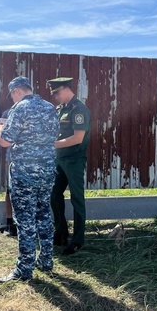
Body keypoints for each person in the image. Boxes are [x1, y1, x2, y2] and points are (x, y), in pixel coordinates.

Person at [0, 76, 59, 282]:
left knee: (25, 220)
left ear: (16, 92)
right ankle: (46, 261)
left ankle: (24, 269)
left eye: (12, 95)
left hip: (25, 172)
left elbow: (5, 141)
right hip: (47, 170)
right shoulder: (50, 107)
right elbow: (54, 136)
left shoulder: (20, 109)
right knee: (44, 214)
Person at [47, 77, 91, 255]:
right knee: (54, 194)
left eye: (57, 92)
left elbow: (77, 138)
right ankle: (61, 233)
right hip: (60, 160)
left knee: (77, 198)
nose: (56, 97)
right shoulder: (61, 109)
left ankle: (78, 240)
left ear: (66, 89)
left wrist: (52, 145)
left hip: (74, 160)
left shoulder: (78, 109)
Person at [0, 109, 17, 237]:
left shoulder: (33, 112)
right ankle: (10, 223)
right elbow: (3, 133)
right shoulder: (8, 113)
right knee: (9, 191)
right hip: (11, 158)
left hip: (29, 160)